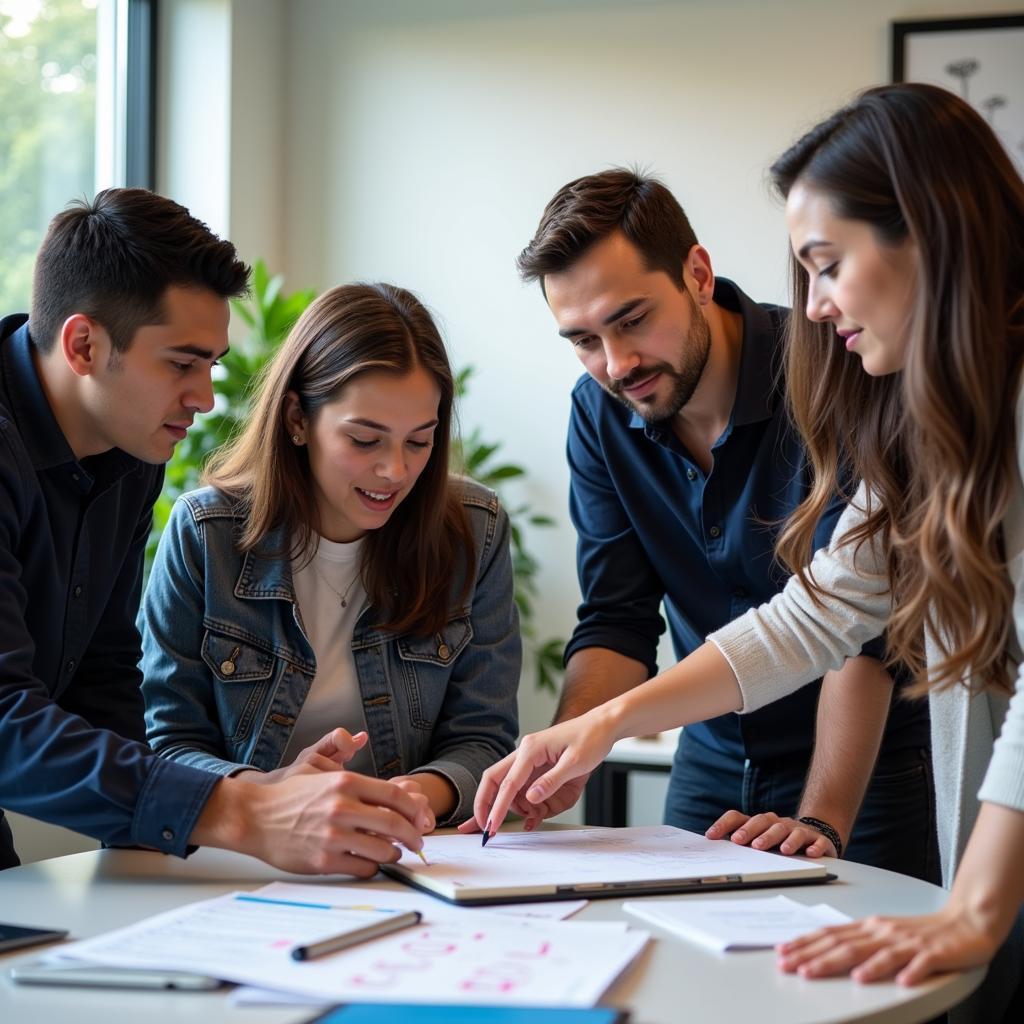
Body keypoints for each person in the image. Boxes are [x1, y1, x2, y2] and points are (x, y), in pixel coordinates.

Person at [469, 84, 1024, 1018]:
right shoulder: (936, 419)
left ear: (928, 236)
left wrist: (967, 904)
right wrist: (593, 729)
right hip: (893, 803)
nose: (812, 305)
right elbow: (818, 612)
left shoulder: (867, 388)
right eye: (803, 271)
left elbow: (862, 648)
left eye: (828, 264)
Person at [458, 168, 934, 879]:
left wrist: (819, 818)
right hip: (711, 755)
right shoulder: (597, 413)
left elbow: (858, 629)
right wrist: (567, 744)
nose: (617, 365)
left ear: (699, 274)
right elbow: (617, 618)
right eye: (583, 340)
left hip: (864, 765)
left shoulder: (838, 370)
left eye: (632, 319)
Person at [0, 189, 430, 876]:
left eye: (211, 364)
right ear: (84, 344)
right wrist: (238, 811)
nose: (203, 397)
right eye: (181, 363)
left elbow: (104, 673)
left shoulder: (130, 445)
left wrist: (205, 813)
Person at [140, 282, 520, 827]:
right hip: (246, 847)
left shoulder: (474, 531)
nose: (395, 471)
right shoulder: (206, 534)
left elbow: (483, 739)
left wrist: (408, 795)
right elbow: (166, 742)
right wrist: (272, 793)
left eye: (419, 441)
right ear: (297, 419)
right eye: (366, 440)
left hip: (407, 850)